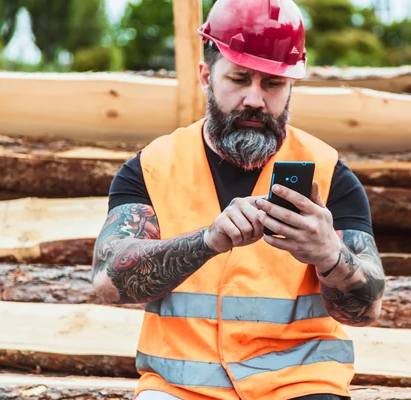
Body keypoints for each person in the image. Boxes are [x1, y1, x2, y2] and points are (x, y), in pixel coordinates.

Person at [91, 0, 386, 399]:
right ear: (205, 76)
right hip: (179, 388)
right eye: (240, 78)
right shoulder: (151, 168)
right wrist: (207, 241)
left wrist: (329, 254)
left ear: (291, 86)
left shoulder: (330, 174)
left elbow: (366, 310)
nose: (255, 99)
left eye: (272, 84)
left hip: (301, 387)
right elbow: (108, 283)